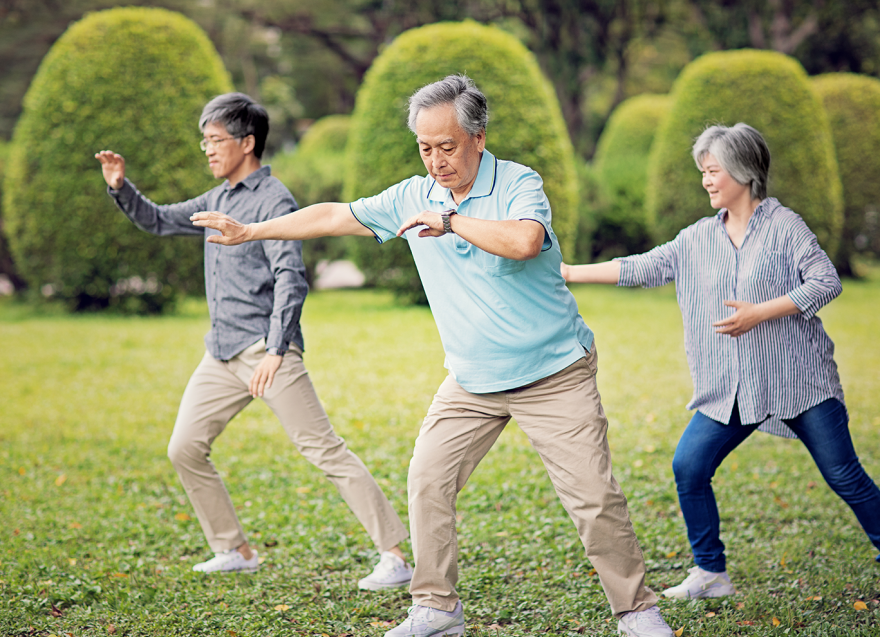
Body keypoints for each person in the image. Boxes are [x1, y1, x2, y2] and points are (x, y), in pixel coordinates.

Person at [192, 75, 673, 638]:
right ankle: (437, 608)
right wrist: (252, 230)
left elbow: (524, 241)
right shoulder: (411, 194)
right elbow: (333, 215)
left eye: (447, 146)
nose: (436, 160)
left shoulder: (519, 182)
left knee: (593, 499)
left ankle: (636, 611)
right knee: (426, 480)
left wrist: (449, 220)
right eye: (425, 148)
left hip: (553, 373)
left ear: (478, 137)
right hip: (472, 379)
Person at [94, 93, 413, 590]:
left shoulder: (274, 202)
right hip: (221, 353)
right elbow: (158, 220)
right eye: (205, 140)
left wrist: (276, 348)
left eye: (216, 140)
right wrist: (121, 187)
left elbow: (291, 277)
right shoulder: (216, 199)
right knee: (185, 447)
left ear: (247, 143)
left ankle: (394, 556)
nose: (208, 149)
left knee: (324, 449)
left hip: (266, 351)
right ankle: (234, 548)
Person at [562, 123, 880, 600]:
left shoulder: (784, 227)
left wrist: (760, 312)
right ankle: (710, 573)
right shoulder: (696, 239)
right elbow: (643, 266)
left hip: (800, 381)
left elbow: (825, 282)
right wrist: (568, 272)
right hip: (730, 386)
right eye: (703, 172)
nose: (706, 181)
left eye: (713, 171)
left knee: (843, 474)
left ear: (743, 172)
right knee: (689, 467)